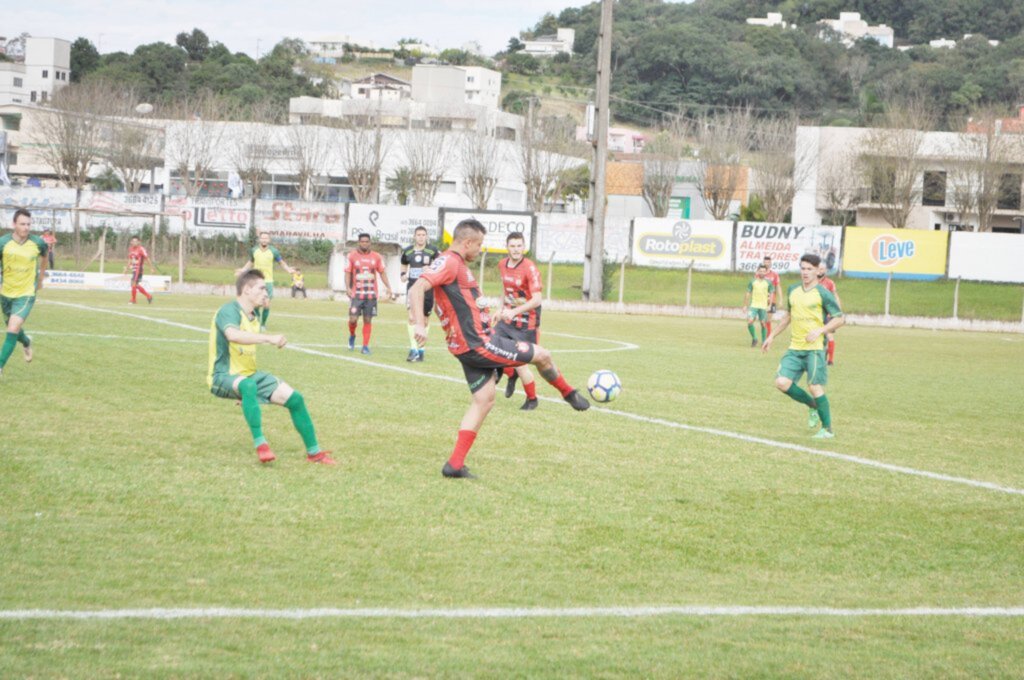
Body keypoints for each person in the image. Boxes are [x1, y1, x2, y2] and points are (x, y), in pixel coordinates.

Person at [408, 218, 589, 480]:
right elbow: (418, 286)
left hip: (466, 343)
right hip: (478, 343)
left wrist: (484, 314)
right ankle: (568, 393)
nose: (479, 250)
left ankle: (455, 464)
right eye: (479, 244)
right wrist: (419, 324)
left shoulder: (455, 263)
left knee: (484, 400)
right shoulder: (449, 262)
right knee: (542, 355)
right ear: (467, 242)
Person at [208, 269, 335, 465]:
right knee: (248, 386)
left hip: (249, 375)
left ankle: (315, 453)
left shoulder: (254, 315)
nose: (266, 293)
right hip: (223, 376)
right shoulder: (228, 311)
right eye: (261, 288)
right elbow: (232, 335)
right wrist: (269, 338)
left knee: (295, 399)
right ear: (247, 290)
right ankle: (262, 446)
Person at [762, 253, 845, 439]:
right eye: (803, 268)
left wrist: (821, 330)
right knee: (781, 383)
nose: (805, 272)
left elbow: (840, 318)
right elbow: (787, 318)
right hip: (795, 348)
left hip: (814, 348)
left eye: (809, 269)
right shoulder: (793, 290)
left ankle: (827, 429)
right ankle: (812, 405)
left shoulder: (823, 293)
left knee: (815, 386)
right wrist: (771, 336)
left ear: (817, 271)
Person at [494, 231, 543, 410]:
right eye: (512, 246)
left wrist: (514, 311)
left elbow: (536, 299)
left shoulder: (530, 268)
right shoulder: (502, 265)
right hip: (508, 319)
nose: (516, 250)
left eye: (519, 246)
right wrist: (500, 309)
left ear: (524, 247)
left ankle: (532, 399)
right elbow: (504, 291)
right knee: (492, 347)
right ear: (507, 247)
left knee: (521, 364)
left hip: (526, 323)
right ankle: (509, 373)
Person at [0, 209, 48, 376]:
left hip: (26, 294)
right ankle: (26, 342)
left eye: (28, 224)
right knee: (14, 329)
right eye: (22, 224)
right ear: (14, 224)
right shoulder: (3, 243)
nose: (26, 227)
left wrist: (41, 278)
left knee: (12, 328)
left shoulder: (38, 242)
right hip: (6, 293)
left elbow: (45, 255)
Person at [235, 231, 295, 331]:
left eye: (266, 238)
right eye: (262, 238)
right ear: (259, 239)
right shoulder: (254, 250)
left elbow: (281, 262)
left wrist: (288, 269)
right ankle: (257, 321)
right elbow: (250, 263)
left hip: (268, 281)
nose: (264, 240)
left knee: (266, 304)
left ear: (269, 240)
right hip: (256, 281)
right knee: (256, 304)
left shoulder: (274, 251)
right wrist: (242, 270)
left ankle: (263, 324)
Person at [345, 232, 392, 355]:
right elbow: (348, 273)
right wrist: (347, 288)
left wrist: (388, 286)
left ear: (370, 243)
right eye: (362, 241)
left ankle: (365, 346)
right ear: (359, 242)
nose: (364, 243)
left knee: (367, 320)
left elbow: (382, 272)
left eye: (367, 241)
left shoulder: (376, 257)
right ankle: (352, 335)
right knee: (353, 319)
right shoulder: (351, 256)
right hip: (356, 295)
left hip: (371, 296)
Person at [400, 226, 440, 362]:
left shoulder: (432, 250)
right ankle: (413, 350)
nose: (421, 237)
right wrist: (403, 274)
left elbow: (440, 265)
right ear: (414, 236)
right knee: (411, 317)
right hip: (412, 288)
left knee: (424, 320)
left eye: (423, 235)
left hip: (427, 289)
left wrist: (431, 268)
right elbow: (403, 264)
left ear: (426, 236)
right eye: (419, 235)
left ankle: (421, 350)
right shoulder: (408, 251)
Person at [743, 264, 774, 348]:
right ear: (757, 271)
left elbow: (771, 294)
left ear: (766, 272)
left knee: (763, 324)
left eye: (764, 271)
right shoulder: (753, 281)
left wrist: (770, 305)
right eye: (760, 271)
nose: (762, 273)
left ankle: (764, 341)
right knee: (749, 321)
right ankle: (754, 338)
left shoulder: (768, 283)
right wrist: (745, 305)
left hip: (763, 306)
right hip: (753, 305)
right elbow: (748, 293)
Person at [817, 262, 840, 366]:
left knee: (829, 335)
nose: (820, 271)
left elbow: (835, 296)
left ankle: (830, 360)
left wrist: (838, 310)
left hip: (827, 314)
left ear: (825, 270)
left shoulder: (829, 283)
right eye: (818, 269)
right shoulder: (811, 282)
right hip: (814, 314)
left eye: (822, 269)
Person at [125, 236, 158, 304]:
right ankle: (148, 296)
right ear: (131, 242)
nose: (134, 242)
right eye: (133, 241)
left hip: (139, 269)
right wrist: (127, 268)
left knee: (134, 284)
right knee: (134, 285)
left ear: (139, 242)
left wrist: (151, 268)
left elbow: (147, 258)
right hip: (134, 269)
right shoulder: (131, 249)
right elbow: (130, 259)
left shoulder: (141, 249)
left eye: (135, 241)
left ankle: (133, 300)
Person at [762, 255, 781, 337]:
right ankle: (764, 337)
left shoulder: (774, 274)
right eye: (765, 262)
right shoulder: (759, 274)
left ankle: (767, 338)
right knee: (762, 320)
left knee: (768, 320)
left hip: (772, 300)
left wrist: (781, 299)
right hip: (761, 300)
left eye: (768, 262)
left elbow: (778, 286)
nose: (766, 264)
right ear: (763, 263)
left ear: (770, 263)